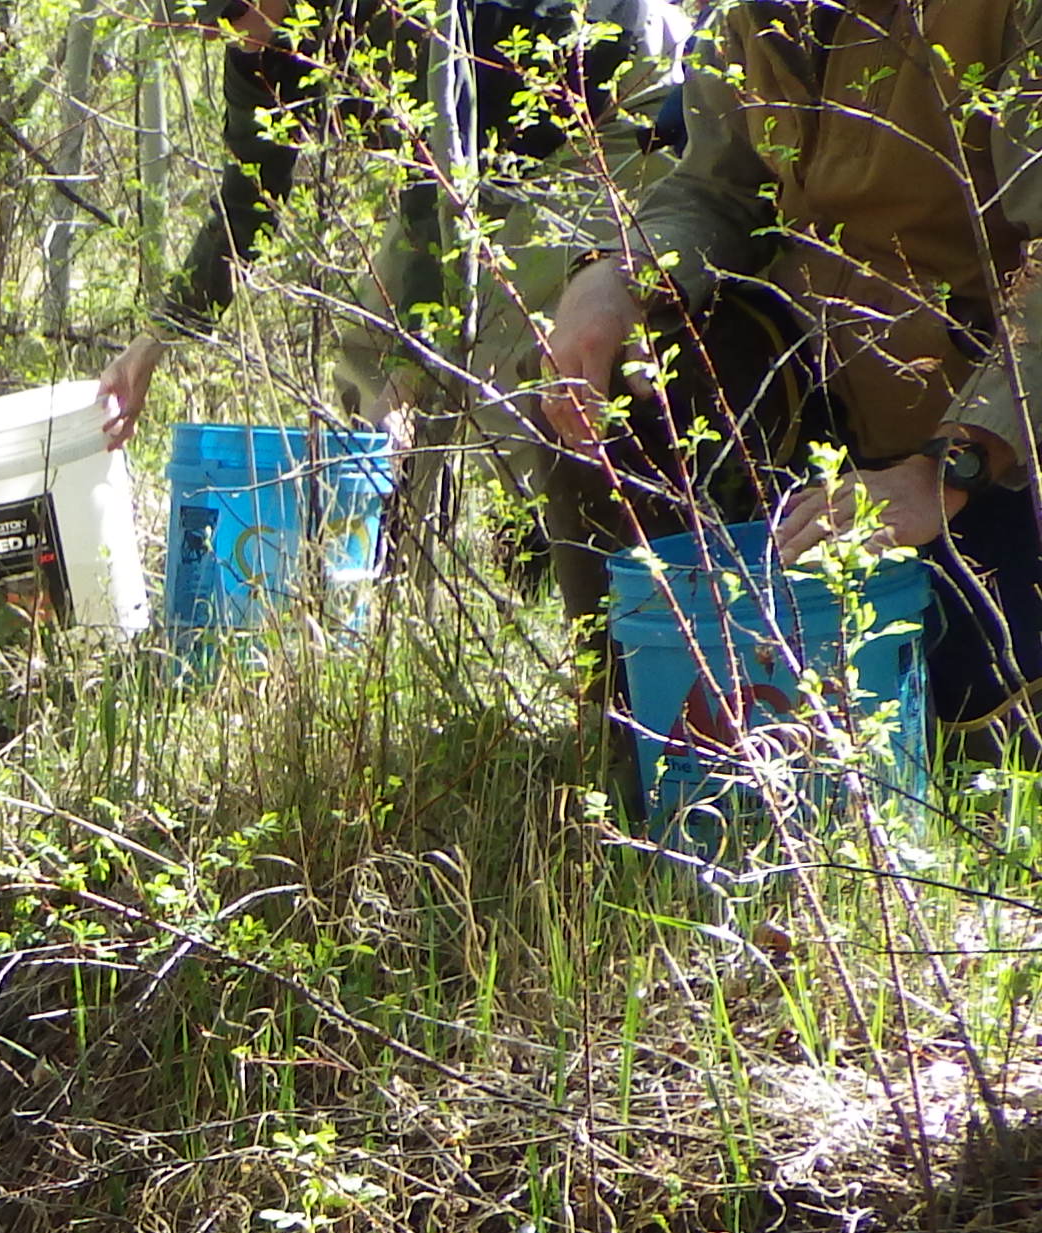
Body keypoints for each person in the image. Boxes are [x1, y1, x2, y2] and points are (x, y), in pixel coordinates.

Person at [540, 0, 1042, 721]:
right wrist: (619, 276)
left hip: (1002, 442)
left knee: (971, 730)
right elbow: (718, 188)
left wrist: (953, 464)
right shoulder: (753, 15)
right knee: (611, 367)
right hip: (834, 422)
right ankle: (631, 720)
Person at [97, 0, 670, 600]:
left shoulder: (396, 14)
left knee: (501, 351)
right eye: (203, 22)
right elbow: (248, 198)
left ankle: (562, 565)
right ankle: (371, 582)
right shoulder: (257, 52)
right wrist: (155, 340)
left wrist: (411, 375)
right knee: (370, 344)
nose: (227, 32)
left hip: (603, 103)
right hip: (486, 157)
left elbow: (434, 192)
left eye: (233, 10)